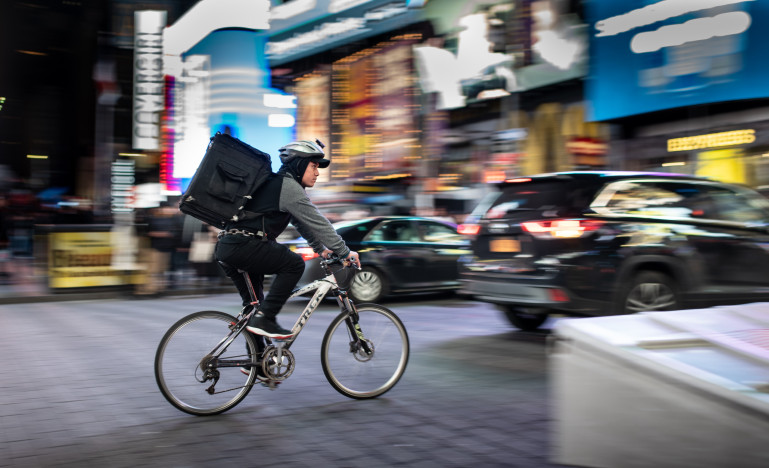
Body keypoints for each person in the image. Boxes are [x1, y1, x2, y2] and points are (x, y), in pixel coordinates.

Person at [215, 139, 360, 341]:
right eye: (314, 166)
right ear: (299, 164)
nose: (317, 172)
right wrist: (344, 252)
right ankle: (267, 318)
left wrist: (320, 249)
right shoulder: (288, 187)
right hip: (245, 246)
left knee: (254, 307)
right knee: (294, 264)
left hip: (229, 247)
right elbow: (319, 222)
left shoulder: (278, 185)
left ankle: (255, 363)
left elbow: (301, 223)